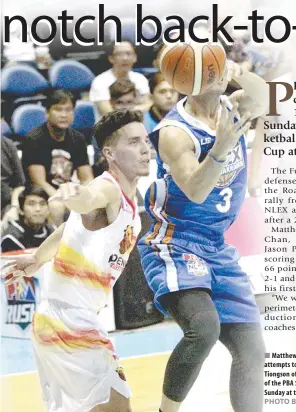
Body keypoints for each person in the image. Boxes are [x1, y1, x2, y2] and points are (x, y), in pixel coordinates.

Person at [137, 47, 269, 412]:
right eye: (215, 68)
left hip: (215, 243)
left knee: (252, 349)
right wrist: (222, 147)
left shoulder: (235, 106)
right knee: (204, 330)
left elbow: (263, 94)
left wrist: (235, 67)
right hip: (175, 241)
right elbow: (195, 191)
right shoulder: (174, 133)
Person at [2, 109, 151, 412]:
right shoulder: (107, 187)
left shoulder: (127, 196)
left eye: (145, 140)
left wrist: (38, 257)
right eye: (134, 142)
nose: (145, 149)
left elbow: (68, 227)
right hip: (69, 322)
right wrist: (73, 196)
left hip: (64, 319)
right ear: (109, 153)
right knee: (117, 406)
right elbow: (87, 199)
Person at [22, 90, 94, 226]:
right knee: (57, 207)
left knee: (93, 203)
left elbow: (86, 177)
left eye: (68, 110)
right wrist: (65, 199)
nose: (64, 115)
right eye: (58, 110)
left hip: (67, 191)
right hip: (40, 194)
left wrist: (84, 194)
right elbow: (39, 182)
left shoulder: (78, 138)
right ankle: (58, 247)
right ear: (47, 112)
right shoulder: (34, 139)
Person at [89, 41, 151, 116]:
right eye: (119, 54)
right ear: (111, 58)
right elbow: (108, 113)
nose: (125, 58)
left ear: (135, 57)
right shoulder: (100, 81)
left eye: (128, 54)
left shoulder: (141, 79)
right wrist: (135, 109)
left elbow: (148, 105)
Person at [1, 186, 54, 252]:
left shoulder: (52, 230)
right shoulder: (12, 238)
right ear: (21, 210)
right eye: (31, 204)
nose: (38, 209)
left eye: (42, 204)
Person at [1, 135, 26, 232]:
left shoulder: (7, 144)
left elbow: (20, 184)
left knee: (13, 221)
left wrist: (14, 206)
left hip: (5, 203)